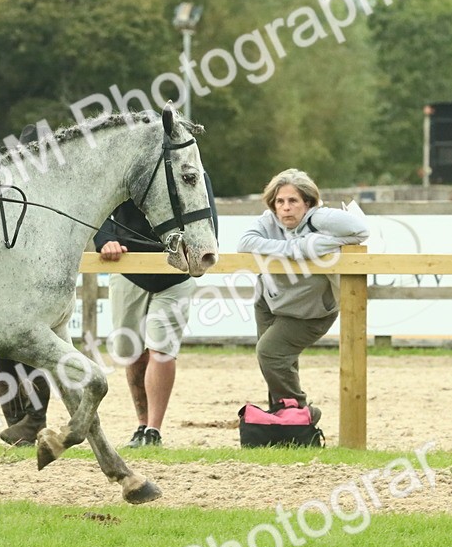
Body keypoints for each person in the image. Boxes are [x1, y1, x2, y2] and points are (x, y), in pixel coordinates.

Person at [236, 169, 368, 421]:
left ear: (307, 203)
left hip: (312, 311)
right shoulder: (268, 220)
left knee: (269, 353)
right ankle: (283, 419)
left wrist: (316, 243)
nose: (286, 208)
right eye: (280, 202)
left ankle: (300, 413)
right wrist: (293, 249)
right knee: (276, 362)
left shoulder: (321, 218)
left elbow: (361, 230)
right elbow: (244, 242)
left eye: (293, 201)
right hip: (269, 301)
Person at [94, 178, 215, 449]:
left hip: (176, 275)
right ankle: (142, 424)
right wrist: (106, 240)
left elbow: (206, 211)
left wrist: (203, 246)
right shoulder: (127, 166)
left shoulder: (189, 166)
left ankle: (153, 430)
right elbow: (101, 204)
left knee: (162, 349)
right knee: (131, 352)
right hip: (129, 269)